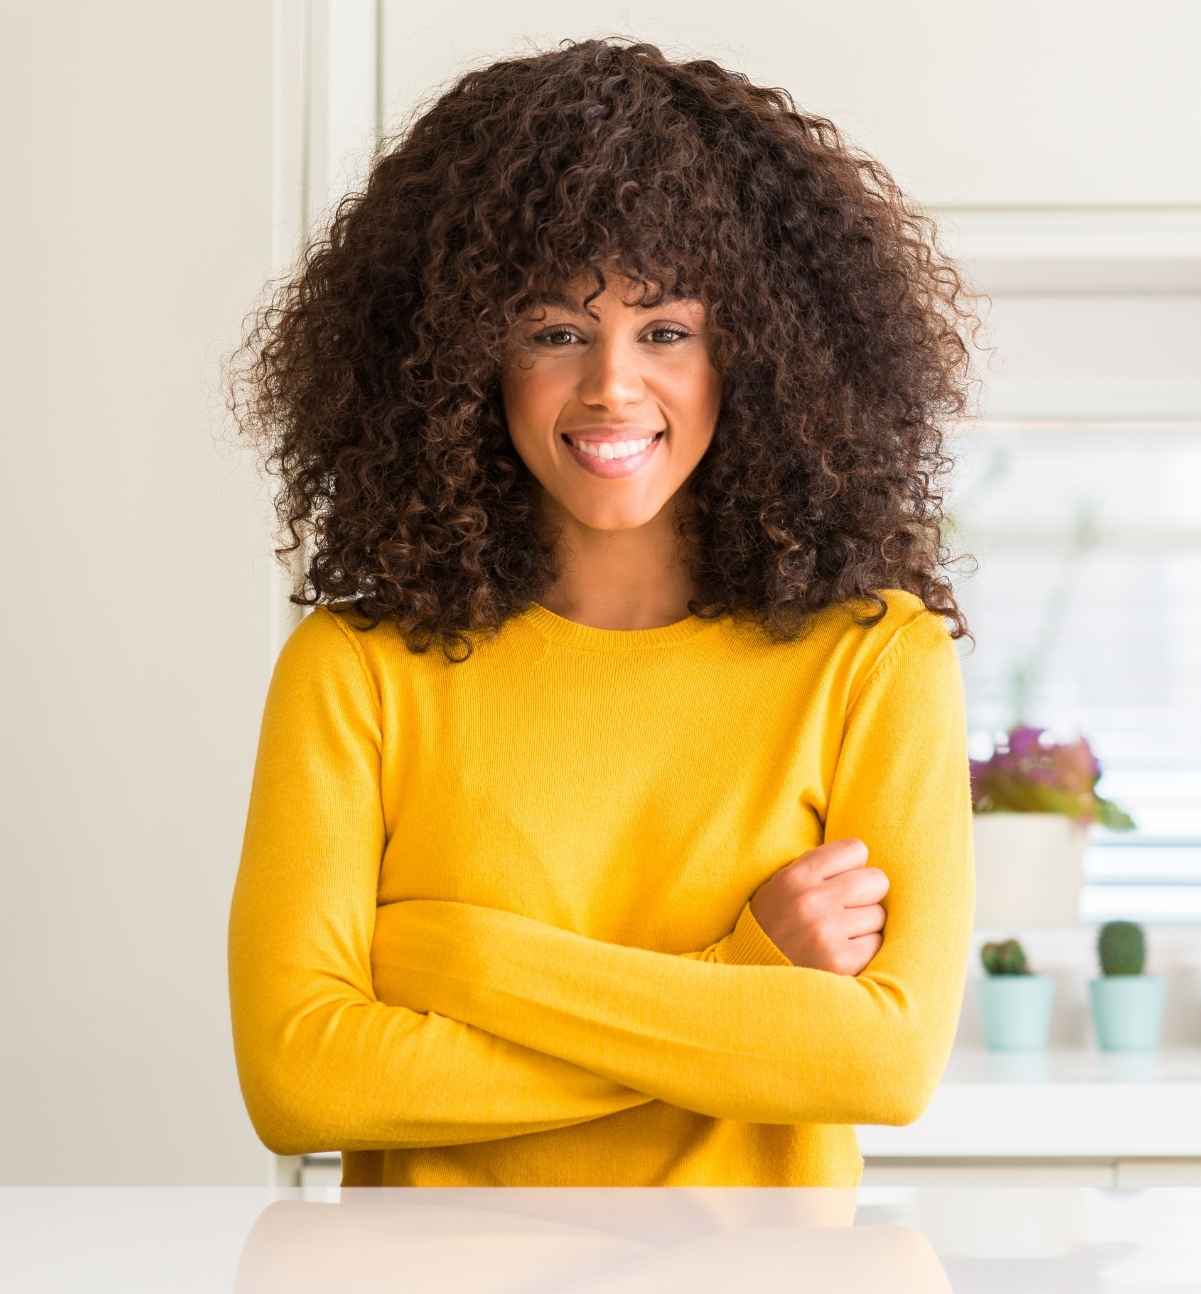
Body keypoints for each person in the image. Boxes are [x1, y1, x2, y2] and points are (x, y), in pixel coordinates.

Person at [223, 37, 984, 1187]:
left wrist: (466, 960)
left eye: (666, 330)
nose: (611, 386)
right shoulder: (357, 667)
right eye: (554, 331)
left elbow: (881, 1063)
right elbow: (303, 1082)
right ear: (460, 358)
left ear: (760, 354)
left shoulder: (872, 659)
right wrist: (739, 991)